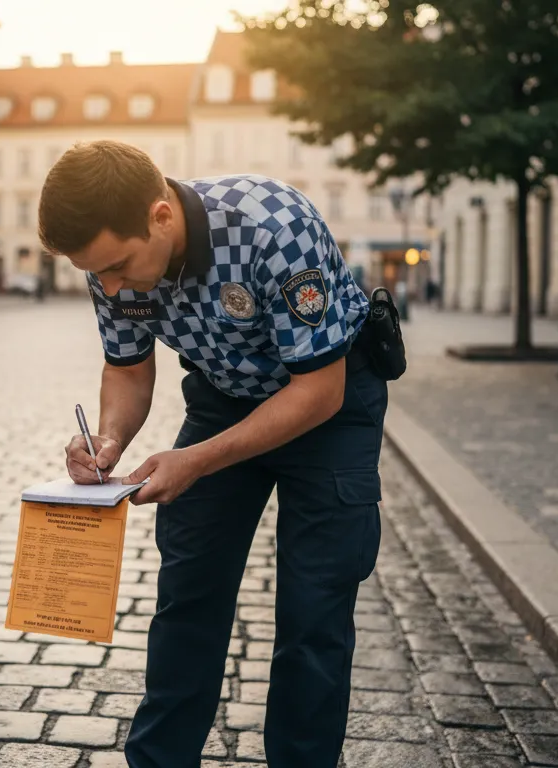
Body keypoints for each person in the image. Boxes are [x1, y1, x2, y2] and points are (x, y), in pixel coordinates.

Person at [39, 140, 386, 768]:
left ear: (161, 216)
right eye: (97, 273)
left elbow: (319, 391)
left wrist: (196, 461)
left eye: (118, 266)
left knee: (314, 614)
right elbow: (127, 371)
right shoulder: (107, 260)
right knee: (188, 593)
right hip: (224, 396)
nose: (111, 285)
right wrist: (109, 440)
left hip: (330, 405)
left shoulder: (273, 226)